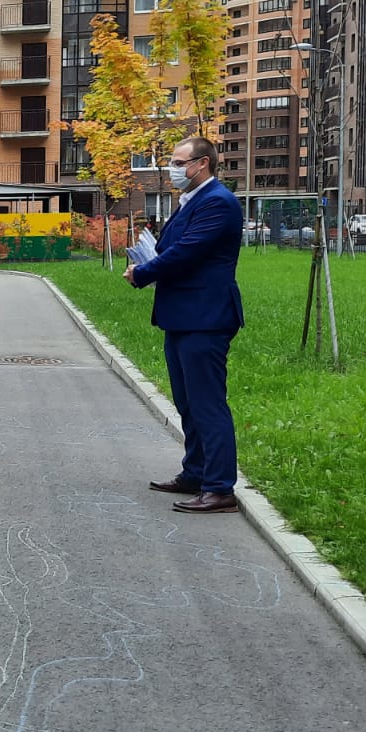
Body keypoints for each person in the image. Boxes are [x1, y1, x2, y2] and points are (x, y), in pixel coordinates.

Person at [125, 136, 244, 515]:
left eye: (180, 162)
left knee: (208, 404)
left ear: (202, 164)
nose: (174, 169)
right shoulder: (191, 200)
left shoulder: (218, 203)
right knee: (187, 403)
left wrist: (143, 272)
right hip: (182, 315)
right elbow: (170, 248)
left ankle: (219, 487)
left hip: (205, 318)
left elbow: (186, 252)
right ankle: (194, 472)